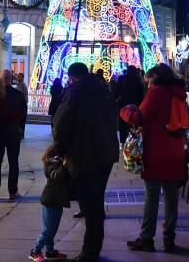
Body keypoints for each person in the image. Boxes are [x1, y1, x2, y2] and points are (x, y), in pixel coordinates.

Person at [52, 62, 118, 262]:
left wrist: (61, 151)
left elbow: (60, 125)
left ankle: (89, 252)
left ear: (72, 78)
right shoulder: (105, 92)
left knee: (90, 206)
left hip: (83, 154)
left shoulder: (74, 95)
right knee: (96, 204)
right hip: (105, 154)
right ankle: (93, 248)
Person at [120, 64, 187, 252]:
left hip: (157, 151)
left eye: (149, 81)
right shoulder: (179, 93)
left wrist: (125, 111)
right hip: (175, 151)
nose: (148, 86)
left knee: (152, 196)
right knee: (172, 199)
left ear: (155, 77)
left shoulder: (157, 93)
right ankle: (169, 238)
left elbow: (140, 117)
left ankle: (147, 238)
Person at [30, 144, 72, 262]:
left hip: (56, 201)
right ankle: (35, 251)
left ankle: (50, 251)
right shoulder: (51, 165)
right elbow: (56, 176)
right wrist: (64, 165)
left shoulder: (56, 163)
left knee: (52, 229)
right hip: (50, 201)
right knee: (48, 230)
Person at [0, 70, 27, 200]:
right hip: (12, 131)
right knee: (13, 162)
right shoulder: (18, 94)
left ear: (0, 79)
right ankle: (13, 191)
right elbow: (23, 114)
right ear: (11, 79)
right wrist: (21, 130)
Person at [115, 65, 145, 144]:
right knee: (134, 123)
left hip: (123, 104)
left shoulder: (121, 78)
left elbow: (117, 92)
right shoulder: (138, 80)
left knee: (123, 124)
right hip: (135, 104)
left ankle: (122, 141)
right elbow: (141, 93)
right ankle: (134, 141)